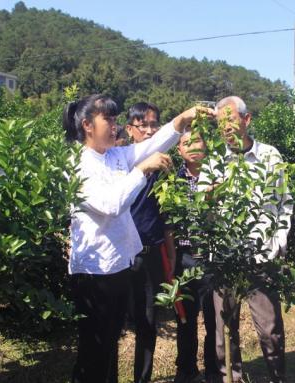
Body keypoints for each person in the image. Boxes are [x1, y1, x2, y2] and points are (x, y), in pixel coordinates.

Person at [63, 94, 212, 383]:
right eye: (108, 118)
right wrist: (142, 170)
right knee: (93, 351)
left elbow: (151, 146)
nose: (114, 124)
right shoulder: (78, 164)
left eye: (115, 118)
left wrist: (181, 120)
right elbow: (110, 204)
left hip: (118, 266)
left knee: (108, 346)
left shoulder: (113, 156)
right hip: (95, 273)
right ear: (87, 125)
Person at [204, 96, 291, 383]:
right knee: (223, 330)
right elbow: (198, 209)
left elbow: (284, 204)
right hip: (225, 258)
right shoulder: (214, 161)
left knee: (269, 329)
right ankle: (232, 377)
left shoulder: (269, 156)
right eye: (220, 122)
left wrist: (276, 243)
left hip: (261, 257)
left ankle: (276, 377)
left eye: (230, 119)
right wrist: (208, 198)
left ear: (246, 119)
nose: (225, 127)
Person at [124, 102, 177, 383]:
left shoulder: (165, 166)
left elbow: (168, 216)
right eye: (141, 125)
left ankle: (142, 378)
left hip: (151, 253)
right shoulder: (120, 162)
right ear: (129, 129)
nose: (148, 130)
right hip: (122, 256)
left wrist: (170, 253)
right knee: (117, 320)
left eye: (153, 124)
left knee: (147, 321)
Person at [173, 131, 220, 383]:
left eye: (197, 141)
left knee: (214, 318)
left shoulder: (219, 175)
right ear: (179, 149)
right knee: (185, 318)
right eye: (185, 143)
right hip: (184, 257)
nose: (191, 146)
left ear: (206, 145)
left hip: (212, 257)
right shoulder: (173, 180)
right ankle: (186, 369)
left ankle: (213, 369)